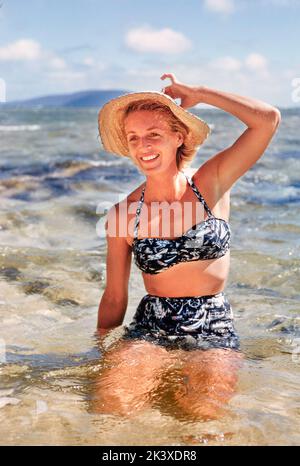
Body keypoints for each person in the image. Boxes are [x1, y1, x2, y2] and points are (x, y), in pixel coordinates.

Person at [94, 73, 281, 419]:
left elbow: (267, 120)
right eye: (134, 138)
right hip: (151, 327)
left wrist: (200, 93)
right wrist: (100, 348)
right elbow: (115, 297)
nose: (144, 146)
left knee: (202, 417)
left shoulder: (211, 183)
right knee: (112, 407)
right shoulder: (123, 215)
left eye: (154, 134)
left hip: (213, 326)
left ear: (178, 136)